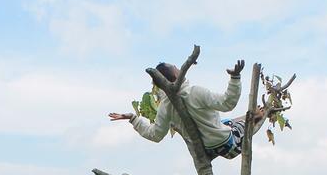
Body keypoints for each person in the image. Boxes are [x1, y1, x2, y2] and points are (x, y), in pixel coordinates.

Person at [109, 60, 265, 160]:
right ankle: (254, 116)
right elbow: (227, 103)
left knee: (226, 122)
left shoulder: (165, 106)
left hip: (204, 149)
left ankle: (247, 117)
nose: (178, 67)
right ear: (177, 74)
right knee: (241, 124)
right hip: (227, 145)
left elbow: (155, 135)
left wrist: (134, 119)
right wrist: (235, 78)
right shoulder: (195, 92)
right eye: (176, 67)